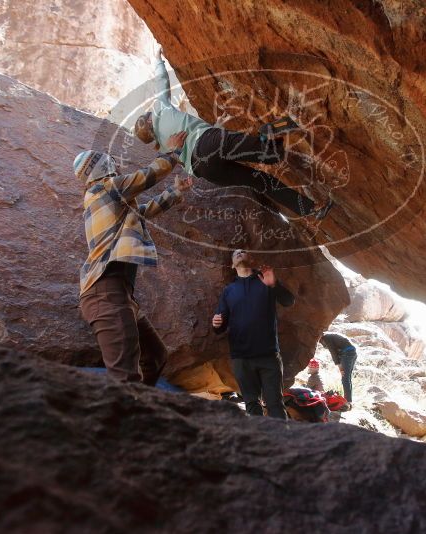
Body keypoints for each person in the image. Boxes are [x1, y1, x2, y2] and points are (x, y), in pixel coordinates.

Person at [134, 46, 333, 223]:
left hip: (205, 171)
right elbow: (162, 84)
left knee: (260, 181)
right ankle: (273, 134)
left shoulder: (164, 146)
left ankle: (311, 208)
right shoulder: (160, 110)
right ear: (149, 120)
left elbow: (175, 162)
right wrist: (157, 59)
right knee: (265, 151)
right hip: (207, 143)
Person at [75, 131, 192, 384]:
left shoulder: (103, 198)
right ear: (101, 167)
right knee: (125, 377)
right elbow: (148, 176)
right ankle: (130, 417)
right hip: (106, 294)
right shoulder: (105, 189)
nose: (115, 165)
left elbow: (142, 212)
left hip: (118, 294)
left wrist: (174, 192)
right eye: (110, 163)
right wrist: (172, 152)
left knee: (155, 355)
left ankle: (142, 409)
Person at [211, 249, 294, 419]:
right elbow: (220, 326)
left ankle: (282, 443)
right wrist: (216, 323)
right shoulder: (229, 290)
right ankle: (259, 444)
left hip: (269, 355)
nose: (239, 252)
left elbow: (289, 301)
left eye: (243, 251)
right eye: (235, 253)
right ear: (232, 265)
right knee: (251, 406)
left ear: (252, 259)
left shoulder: (265, 281)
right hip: (241, 358)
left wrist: (274, 285)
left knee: (275, 405)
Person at [320, 332, 358, 403]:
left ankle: (347, 402)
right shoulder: (329, 336)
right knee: (347, 378)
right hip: (352, 352)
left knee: (345, 378)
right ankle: (349, 400)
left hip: (347, 353)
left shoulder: (326, 338)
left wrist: (339, 366)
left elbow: (333, 352)